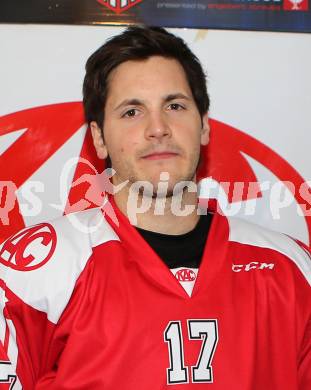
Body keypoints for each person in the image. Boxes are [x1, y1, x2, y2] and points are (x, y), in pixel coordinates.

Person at [0, 26, 310, 390]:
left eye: (175, 106)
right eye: (132, 112)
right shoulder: (34, 272)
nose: (158, 128)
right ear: (99, 137)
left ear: (205, 125)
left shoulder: (292, 269)